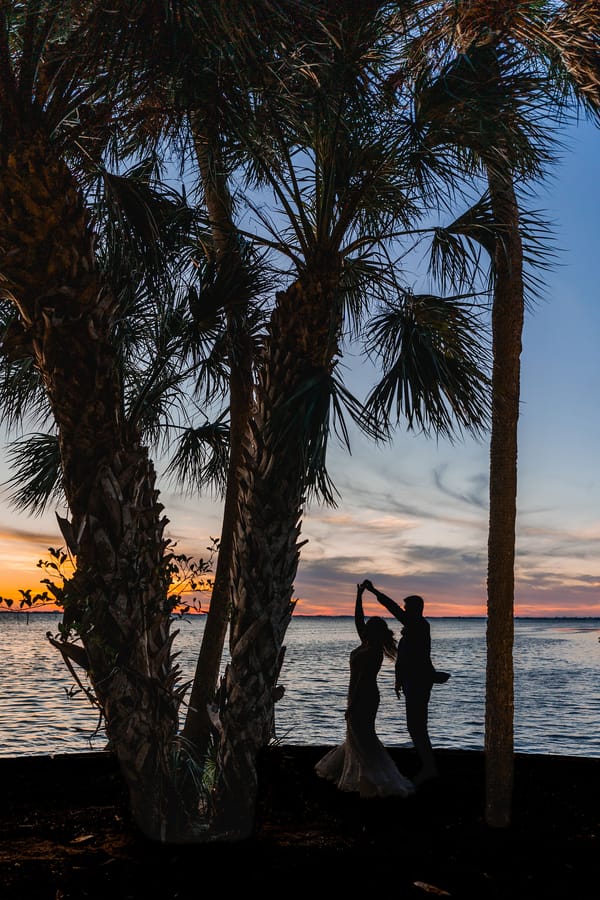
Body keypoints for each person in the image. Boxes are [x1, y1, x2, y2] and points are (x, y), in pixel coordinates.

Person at [314, 583, 415, 799]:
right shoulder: (366, 644)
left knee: (364, 738)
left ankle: (374, 780)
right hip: (358, 695)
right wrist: (359, 596)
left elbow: (362, 680)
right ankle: (365, 778)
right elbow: (358, 620)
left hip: (365, 697)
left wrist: (351, 706)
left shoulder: (373, 652)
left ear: (375, 631)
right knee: (357, 738)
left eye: (369, 626)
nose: (365, 627)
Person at [361, 580, 449, 786]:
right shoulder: (413, 628)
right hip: (412, 681)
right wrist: (399, 680)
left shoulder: (419, 625)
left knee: (417, 726)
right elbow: (406, 658)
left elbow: (392, 608)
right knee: (414, 725)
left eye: (406, 608)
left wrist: (373, 591)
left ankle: (429, 767)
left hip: (419, 682)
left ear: (415, 610)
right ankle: (427, 765)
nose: (403, 610)